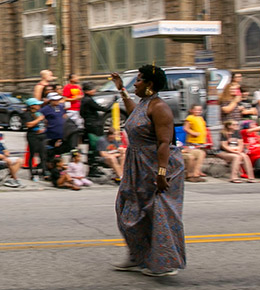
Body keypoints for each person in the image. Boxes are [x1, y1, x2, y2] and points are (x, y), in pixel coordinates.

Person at [109, 65, 186, 277]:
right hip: (137, 165)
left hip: (157, 166)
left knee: (157, 214)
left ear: (150, 84)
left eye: (139, 80)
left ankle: (164, 263)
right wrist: (121, 90)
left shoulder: (160, 107)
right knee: (127, 208)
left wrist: (161, 174)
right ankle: (137, 256)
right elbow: (135, 115)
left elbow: (164, 143)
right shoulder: (145, 104)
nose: (136, 83)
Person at [79, 89, 108, 178]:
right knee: (95, 146)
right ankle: (93, 167)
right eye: (92, 89)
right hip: (93, 127)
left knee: (92, 147)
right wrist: (112, 103)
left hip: (89, 125)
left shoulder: (84, 100)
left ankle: (94, 167)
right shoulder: (88, 100)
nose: (94, 91)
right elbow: (101, 108)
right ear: (87, 90)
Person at [40, 92, 67, 181]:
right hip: (51, 134)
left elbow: (63, 116)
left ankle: (58, 171)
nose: (58, 101)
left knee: (59, 153)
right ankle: (48, 171)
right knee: (49, 154)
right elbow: (41, 118)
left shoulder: (61, 107)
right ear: (51, 100)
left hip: (61, 134)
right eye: (56, 100)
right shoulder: (45, 109)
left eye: (58, 99)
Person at [182, 104, 208, 182]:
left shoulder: (200, 118)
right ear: (191, 110)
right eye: (196, 110)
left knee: (201, 156)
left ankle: (196, 173)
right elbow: (186, 128)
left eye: (200, 110)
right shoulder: (190, 118)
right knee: (194, 156)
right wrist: (193, 133)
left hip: (201, 141)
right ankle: (192, 174)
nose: (198, 111)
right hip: (193, 142)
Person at [23, 98, 47, 180]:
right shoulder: (27, 114)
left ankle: (44, 172)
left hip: (41, 135)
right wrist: (39, 119)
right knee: (32, 154)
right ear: (32, 106)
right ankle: (32, 172)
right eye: (37, 104)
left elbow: (43, 123)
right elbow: (29, 125)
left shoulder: (39, 113)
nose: (39, 106)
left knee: (43, 154)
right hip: (32, 136)